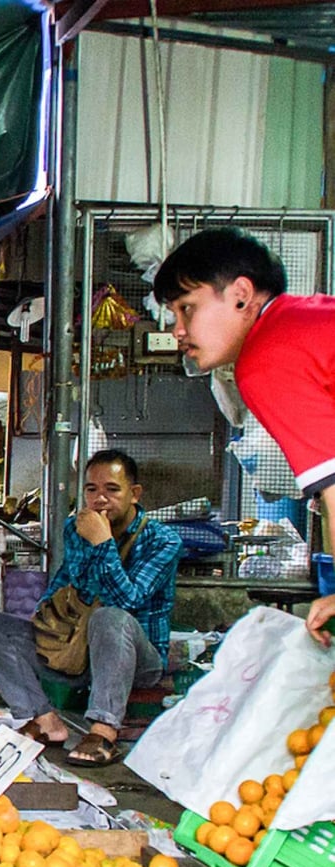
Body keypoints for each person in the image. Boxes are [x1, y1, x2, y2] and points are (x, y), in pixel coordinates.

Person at [152, 228, 335, 644]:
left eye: (187, 308)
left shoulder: (268, 355)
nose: (178, 330)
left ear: (240, 293)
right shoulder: (306, 318)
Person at [0, 450, 182, 768]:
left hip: (139, 662)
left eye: (112, 490)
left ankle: (103, 732)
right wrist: (46, 618)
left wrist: (103, 544)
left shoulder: (163, 541)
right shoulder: (77, 529)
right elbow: (67, 582)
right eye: (91, 490)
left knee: (110, 617)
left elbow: (127, 601)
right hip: (77, 652)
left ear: (134, 494)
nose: (100, 499)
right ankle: (44, 720)